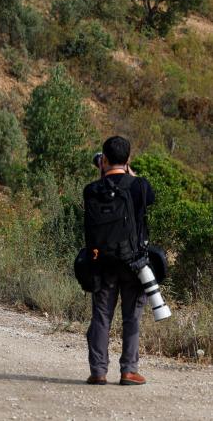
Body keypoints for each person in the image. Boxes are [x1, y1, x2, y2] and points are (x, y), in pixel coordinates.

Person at [84, 136, 155, 387]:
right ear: (128, 159)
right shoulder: (139, 186)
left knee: (101, 316)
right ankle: (129, 371)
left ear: (103, 159)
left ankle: (98, 371)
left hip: (102, 262)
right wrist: (130, 174)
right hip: (134, 263)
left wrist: (103, 175)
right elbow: (149, 199)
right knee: (132, 317)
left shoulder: (91, 189)